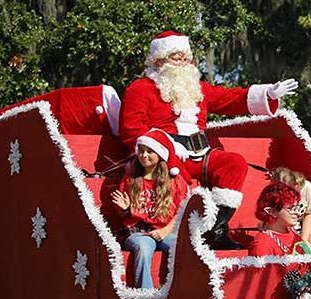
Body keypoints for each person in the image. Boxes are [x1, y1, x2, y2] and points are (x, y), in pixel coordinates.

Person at [119, 30, 298, 244]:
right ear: (159, 60)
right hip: (165, 159)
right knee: (176, 175)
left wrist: (267, 94)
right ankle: (177, 231)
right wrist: (166, 149)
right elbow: (131, 130)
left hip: (200, 153)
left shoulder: (197, 89)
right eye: (177, 58)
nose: (184, 63)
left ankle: (215, 229)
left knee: (234, 163)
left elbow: (229, 99)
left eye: (187, 58)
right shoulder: (140, 89)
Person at [112, 129, 191, 289]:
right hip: (137, 231)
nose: (144, 155)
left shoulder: (174, 181)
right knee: (143, 246)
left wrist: (165, 231)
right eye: (141, 151)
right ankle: (145, 294)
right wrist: (126, 210)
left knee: (181, 247)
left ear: (160, 155)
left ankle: (178, 289)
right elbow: (125, 216)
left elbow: (182, 211)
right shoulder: (131, 179)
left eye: (149, 151)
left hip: (164, 231)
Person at [267, 167, 311, 254]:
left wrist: (304, 238)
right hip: (280, 231)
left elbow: (309, 212)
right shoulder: (272, 194)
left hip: (299, 228)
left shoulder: (306, 187)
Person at [249, 182, 311, 256]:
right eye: (290, 208)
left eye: (296, 207)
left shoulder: (292, 230)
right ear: (271, 211)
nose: (297, 212)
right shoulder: (262, 245)